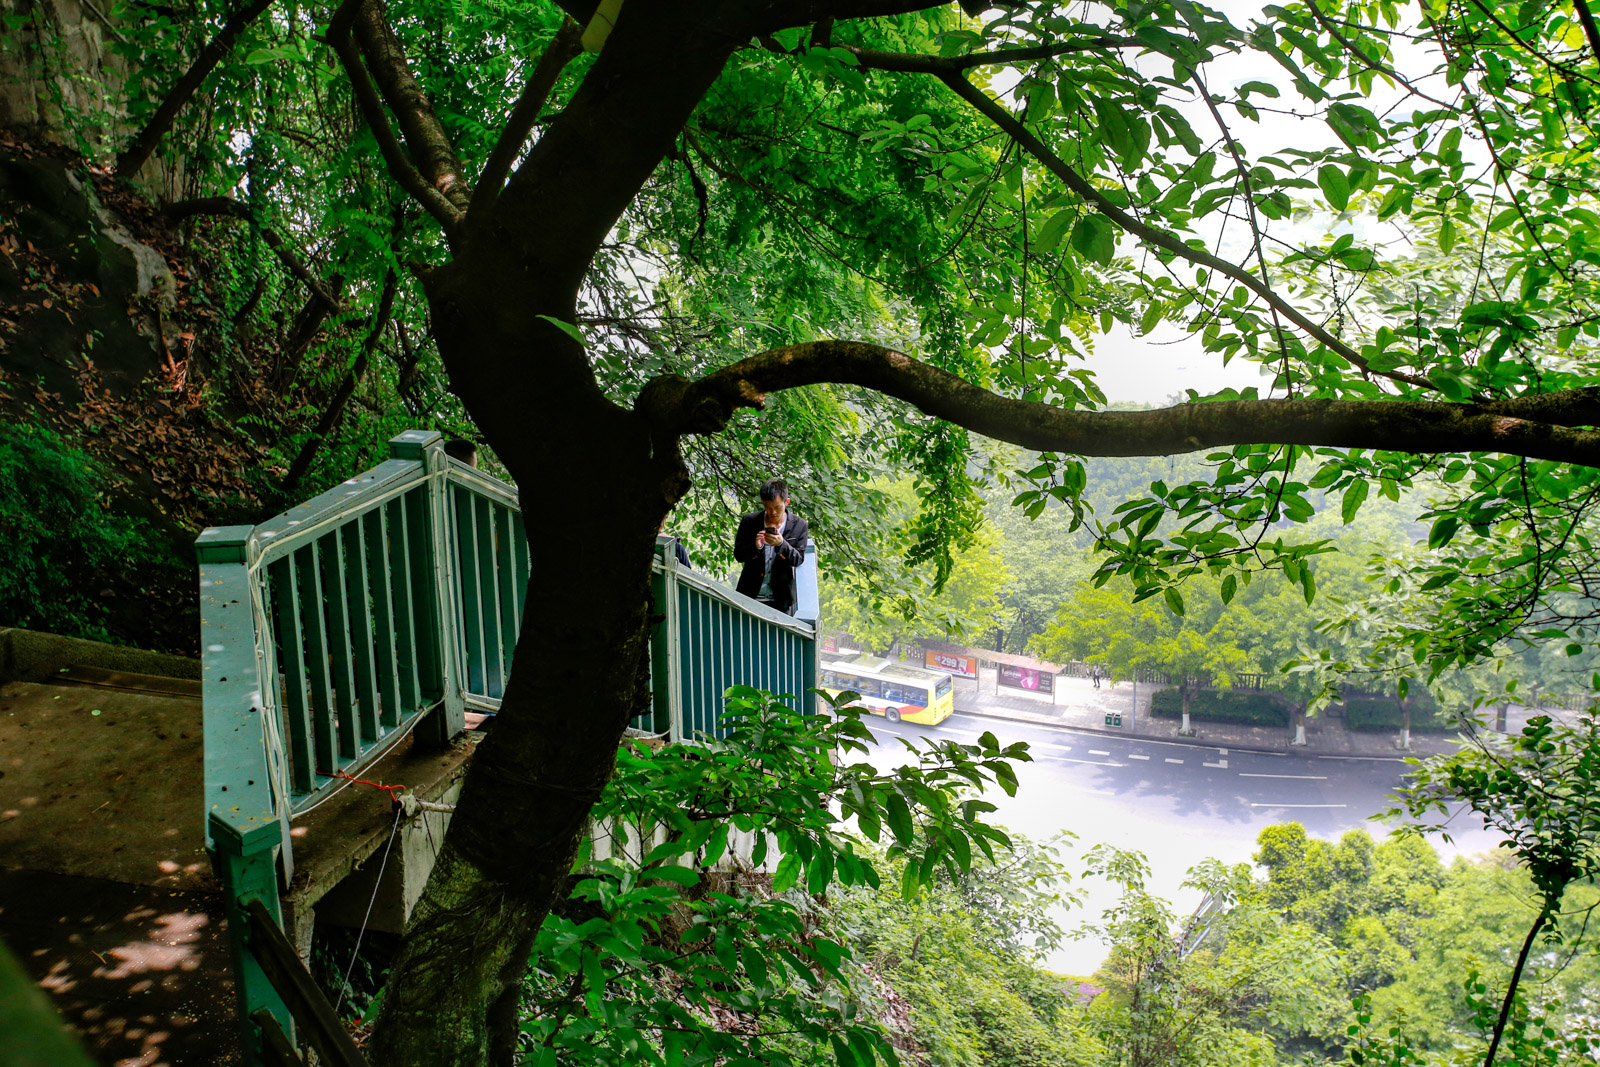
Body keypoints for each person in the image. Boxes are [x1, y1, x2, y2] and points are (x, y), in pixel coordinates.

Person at [734, 479, 809, 616]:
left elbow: (798, 559)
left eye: (777, 507)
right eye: (768, 507)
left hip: (781, 600)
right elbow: (739, 555)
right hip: (749, 596)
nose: (772, 512)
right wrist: (756, 548)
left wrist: (781, 544)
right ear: (763, 503)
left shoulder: (800, 525)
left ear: (787, 502)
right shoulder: (750, 521)